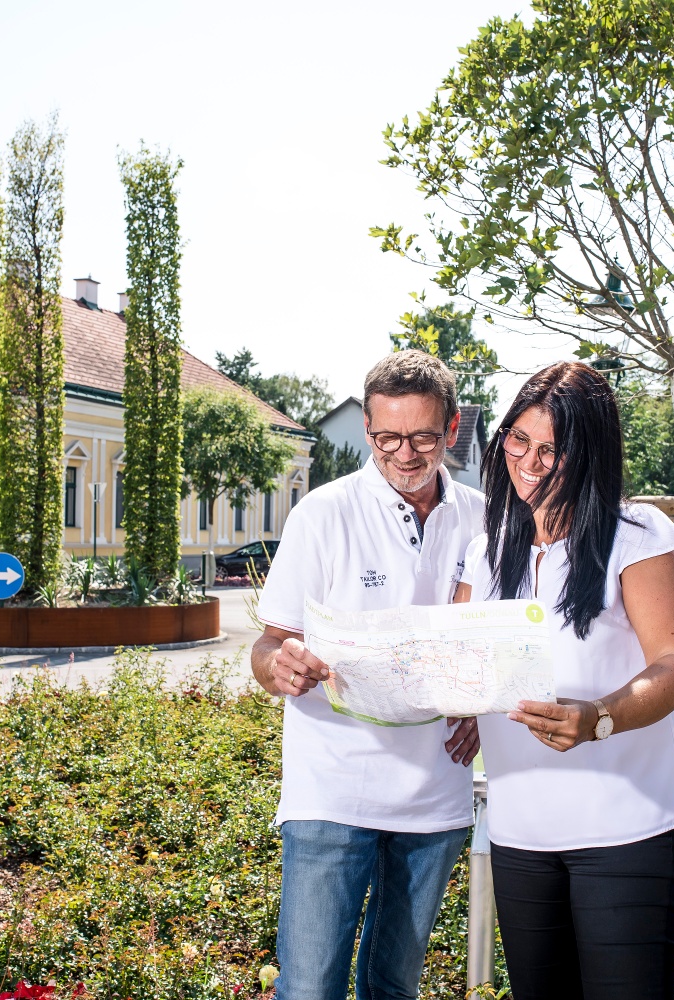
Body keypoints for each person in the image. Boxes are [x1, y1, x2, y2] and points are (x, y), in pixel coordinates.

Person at [452, 361, 674, 1000]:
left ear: (589, 456)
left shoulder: (637, 535)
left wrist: (598, 718)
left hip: (629, 832)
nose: (530, 464)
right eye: (518, 441)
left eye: (552, 451)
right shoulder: (488, 549)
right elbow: (456, 659)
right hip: (519, 834)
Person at [252, 350, 487, 1000]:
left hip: (435, 794)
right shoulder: (322, 514)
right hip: (331, 792)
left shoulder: (484, 517)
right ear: (367, 430)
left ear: (453, 427)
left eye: (422, 438)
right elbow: (268, 646)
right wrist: (281, 665)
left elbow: (497, 642)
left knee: (394, 987)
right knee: (309, 988)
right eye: (386, 438)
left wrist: (483, 707)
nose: (404, 454)